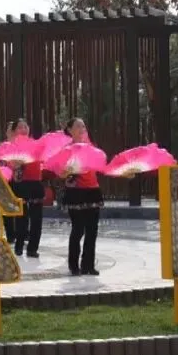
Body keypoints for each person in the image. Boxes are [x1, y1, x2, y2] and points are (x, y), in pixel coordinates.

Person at [61, 117, 103, 276]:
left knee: (92, 230)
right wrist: (67, 172)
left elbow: (99, 165)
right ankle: (74, 265)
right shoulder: (67, 149)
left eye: (83, 126)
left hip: (93, 190)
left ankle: (88, 265)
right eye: (78, 126)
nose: (81, 129)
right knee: (78, 229)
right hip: (76, 192)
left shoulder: (91, 147)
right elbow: (61, 173)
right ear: (70, 130)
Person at [2, 118, 45, 258]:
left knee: (37, 219)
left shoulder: (36, 144)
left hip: (36, 183)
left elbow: (42, 160)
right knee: (22, 218)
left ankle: (33, 248)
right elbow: (9, 166)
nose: (24, 129)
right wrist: (16, 164)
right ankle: (19, 245)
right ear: (14, 131)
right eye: (20, 127)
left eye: (25, 127)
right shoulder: (11, 147)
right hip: (21, 184)